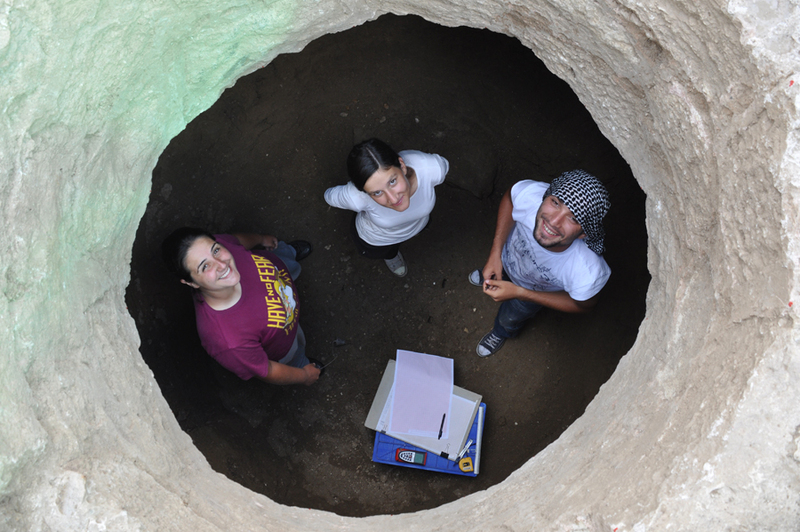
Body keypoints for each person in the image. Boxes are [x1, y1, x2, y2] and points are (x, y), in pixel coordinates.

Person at [470, 169, 611, 357]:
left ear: (584, 234)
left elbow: (583, 305)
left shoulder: (587, 270)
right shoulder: (531, 196)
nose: (554, 221)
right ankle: (492, 275)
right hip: (504, 261)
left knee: (509, 318)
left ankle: (501, 332)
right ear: (546, 196)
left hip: (531, 291)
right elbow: (510, 199)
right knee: (494, 272)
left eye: (573, 218)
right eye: (556, 203)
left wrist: (522, 293)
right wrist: (495, 254)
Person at [161, 228, 321, 386]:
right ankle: (301, 364)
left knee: (283, 256)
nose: (222, 265)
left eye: (215, 250)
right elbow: (268, 370)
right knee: (295, 355)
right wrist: (304, 375)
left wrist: (261, 238)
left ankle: (290, 252)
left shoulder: (212, 247)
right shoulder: (227, 340)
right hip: (286, 339)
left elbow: (235, 240)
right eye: (205, 266)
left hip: (278, 268)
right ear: (191, 282)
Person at [324, 138, 449, 277]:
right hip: (379, 239)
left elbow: (444, 164)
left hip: (419, 224)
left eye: (392, 181)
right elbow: (330, 196)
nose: (394, 199)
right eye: (377, 192)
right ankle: (390, 255)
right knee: (388, 251)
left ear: (402, 165)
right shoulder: (356, 197)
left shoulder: (431, 169)